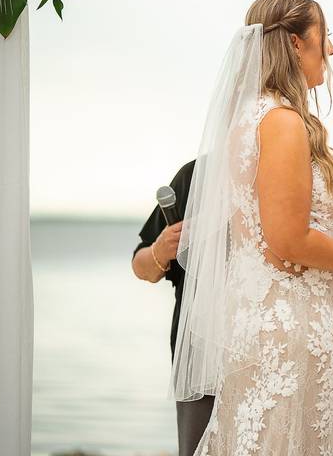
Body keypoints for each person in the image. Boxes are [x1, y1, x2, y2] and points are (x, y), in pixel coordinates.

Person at [171, 0, 333, 455]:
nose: (331, 51)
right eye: (326, 37)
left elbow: (268, 232)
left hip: (276, 320)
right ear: (297, 45)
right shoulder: (280, 121)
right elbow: (286, 239)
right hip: (286, 328)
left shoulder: (253, 117)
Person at [131, 160, 212, 456]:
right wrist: (161, 249)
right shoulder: (194, 176)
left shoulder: (290, 172)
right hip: (200, 355)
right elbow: (142, 267)